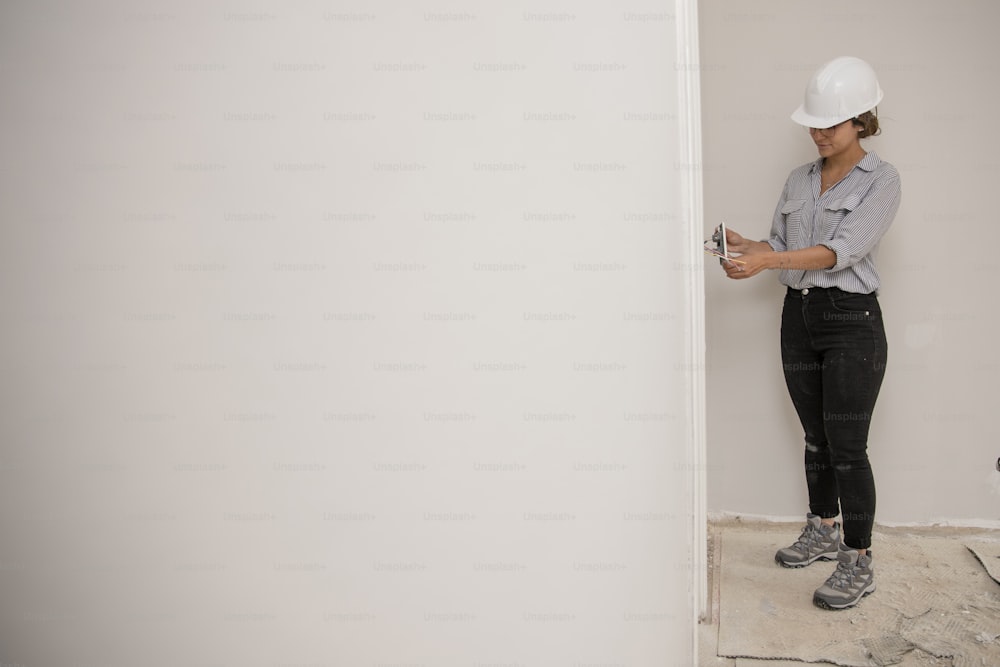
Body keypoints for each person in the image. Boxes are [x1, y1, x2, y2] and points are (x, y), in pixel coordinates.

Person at [720, 56, 901, 610]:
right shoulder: (798, 180)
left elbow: (839, 252)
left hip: (852, 323)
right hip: (797, 317)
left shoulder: (882, 180)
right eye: (814, 124)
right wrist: (745, 246)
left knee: (848, 446)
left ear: (861, 121)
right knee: (816, 438)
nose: (818, 133)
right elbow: (780, 245)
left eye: (831, 124)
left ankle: (858, 558)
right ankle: (822, 528)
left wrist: (766, 264)